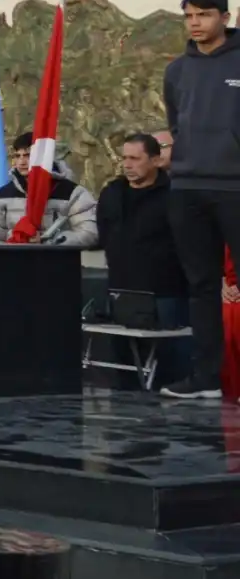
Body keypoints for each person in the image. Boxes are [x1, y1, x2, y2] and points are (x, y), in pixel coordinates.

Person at [166, 0, 240, 399]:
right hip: (188, 188)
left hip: (235, 187)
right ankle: (205, 377)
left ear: (225, 19)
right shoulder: (177, 70)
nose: (195, 23)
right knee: (201, 286)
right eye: (189, 16)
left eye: (204, 15)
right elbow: (176, 123)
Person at [98, 132, 188, 389]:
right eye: (125, 158)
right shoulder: (112, 193)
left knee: (170, 365)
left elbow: (187, 242)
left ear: (156, 161)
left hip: (166, 293)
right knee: (124, 364)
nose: (127, 164)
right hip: (120, 289)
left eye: (135, 159)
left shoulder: (174, 196)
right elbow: (104, 231)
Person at [0, 128, 100, 248]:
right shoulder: (4, 193)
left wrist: (48, 241)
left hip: (55, 262)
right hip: (13, 262)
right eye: (17, 156)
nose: (21, 162)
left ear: (43, 157)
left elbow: (90, 233)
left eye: (28, 156)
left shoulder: (73, 193)